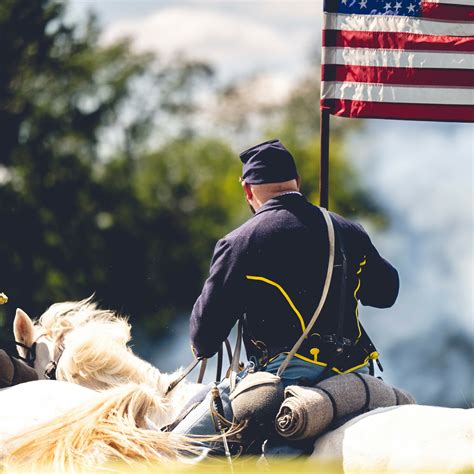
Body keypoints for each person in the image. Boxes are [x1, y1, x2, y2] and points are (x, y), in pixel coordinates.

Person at [189, 139, 399, 387]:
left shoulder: (238, 243)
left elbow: (204, 340)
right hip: (357, 372)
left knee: (192, 425)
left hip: (285, 377)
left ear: (247, 190)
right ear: (297, 182)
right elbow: (386, 294)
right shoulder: (347, 231)